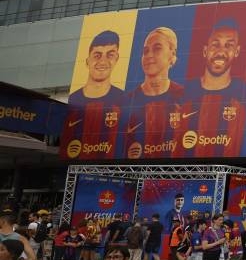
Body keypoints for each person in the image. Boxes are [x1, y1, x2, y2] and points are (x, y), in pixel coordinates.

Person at [175, 19, 246, 158]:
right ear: (205, 50)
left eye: (228, 46)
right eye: (215, 44)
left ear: (237, 51)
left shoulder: (244, 94)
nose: (221, 52)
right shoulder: (183, 93)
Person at [61, 29, 125, 160]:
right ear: (87, 60)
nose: (103, 61)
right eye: (97, 55)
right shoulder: (73, 99)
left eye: (110, 55)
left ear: (117, 59)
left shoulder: (124, 100)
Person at [123, 26, 185, 160]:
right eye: (145, 51)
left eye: (157, 48)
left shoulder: (185, 97)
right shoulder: (127, 101)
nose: (149, 55)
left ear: (172, 55)